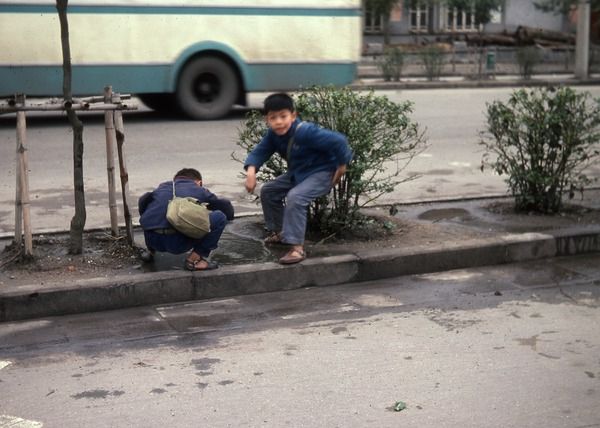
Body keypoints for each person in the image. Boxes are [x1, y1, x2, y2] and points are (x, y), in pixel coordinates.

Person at [244, 93, 352, 264]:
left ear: (293, 116)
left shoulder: (305, 131)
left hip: (322, 173)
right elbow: (261, 151)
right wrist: (251, 172)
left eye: (283, 116)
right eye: (273, 118)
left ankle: (297, 249)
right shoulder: (273, 134)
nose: (278, 121)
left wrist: (341, 166)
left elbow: (339, 141)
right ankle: (281, 233)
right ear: (267, 120)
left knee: (296, 196)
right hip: (300, 173)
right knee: (269, 191)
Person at [138, 168, 234, 271]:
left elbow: (142, 200)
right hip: (178, 244)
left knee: (154, 215)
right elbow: (225, 206)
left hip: (153, 240)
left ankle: (150, 252)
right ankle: (193, 261)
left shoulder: (163, 187)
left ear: (175, 179)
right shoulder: (199, 189)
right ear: (199, 182)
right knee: (220, 217)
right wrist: (229, 217)